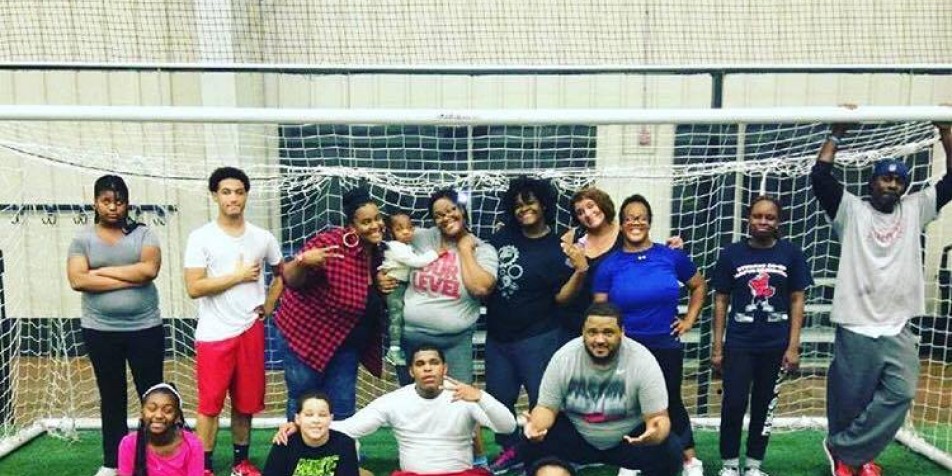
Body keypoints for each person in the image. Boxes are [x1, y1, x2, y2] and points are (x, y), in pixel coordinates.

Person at [812, 117, 952, 476]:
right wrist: (836, 133)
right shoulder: (851, 210)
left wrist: (947, 133)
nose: (892, 185)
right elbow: (820, 178)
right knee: (851, 400)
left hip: (897, 325)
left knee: (900, 393)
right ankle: (854, 460)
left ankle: (844, 448)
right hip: (856, 322)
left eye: (898, 180)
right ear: (872, 182)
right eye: (886, 178)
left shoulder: (915, 209)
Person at [592, 194, 707, 476]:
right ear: (621, 224)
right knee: (628, 403)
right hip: (627, 348)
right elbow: (600, 309)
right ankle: (631, 461)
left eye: (641, 217)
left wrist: (688, 320)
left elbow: (699, 286)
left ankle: (689, 460)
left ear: (649, 222)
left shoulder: (670, 256)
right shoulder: (610, 264)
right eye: (629, 217)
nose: (635, 222)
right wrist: (611, 335)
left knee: (670, 401)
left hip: (665, 343)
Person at [276, 346, 517, 476]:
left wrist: (481, 397)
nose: (428, 369)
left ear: (445, 367)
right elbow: (350, 427)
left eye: (434, 363)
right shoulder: (395, 400)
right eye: (421, 364)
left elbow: (507, 426)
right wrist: (302, 424)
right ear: (412, 371)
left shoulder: (465, 396)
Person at [483, 177, 588, 474]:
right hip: (498, 338)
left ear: (543, 204)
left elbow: (562, 297)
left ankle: (551, 455)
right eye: (517, 205)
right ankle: (511, 452)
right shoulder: (501, 240)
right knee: (499, 401)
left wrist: (580, 273)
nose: (523, 209)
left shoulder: (558, 247)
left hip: (539, 336)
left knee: (544, 402)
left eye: (529, 202)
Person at [184, 166, 283, 476]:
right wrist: (237, 276)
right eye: (226, 192)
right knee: (210, 406)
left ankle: (241, 463)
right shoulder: (201, 237)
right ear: (215, 195)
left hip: (250, 331)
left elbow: (282, 273)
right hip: (214, 335)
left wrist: (268, 303)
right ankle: (204, 467)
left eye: (239, 192)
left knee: (246, 404)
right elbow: (194, 287)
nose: (233, 198)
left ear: (246, 195)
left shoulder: (262, 237)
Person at [67, 174, 164, 476]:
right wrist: (126, 274)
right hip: (100, 331)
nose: (113, 208)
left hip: (145, 328)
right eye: (106, 201)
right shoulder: (81, 240)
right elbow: (78, 279)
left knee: (153, 396)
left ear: (127, 204)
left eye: (119, 202)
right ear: (95, 202)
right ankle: (113, 461)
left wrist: (102, 273)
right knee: (111, 395)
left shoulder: (144, 234)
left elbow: (149, 270)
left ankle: (155, 457)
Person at [710, 195, 813, 476]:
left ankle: (754, 464)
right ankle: (729, 464)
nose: (763, 222)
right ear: (748, 219)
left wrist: (793, 346)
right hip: (740, 344)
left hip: (775, 345)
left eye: (769, 217)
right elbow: (720, 301)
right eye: (758, 216)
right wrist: (717, 347)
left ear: (778, 222)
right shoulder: (731, 254)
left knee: (764, 406)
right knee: (733, 403)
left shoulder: (791, 254)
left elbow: (796, 300)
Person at [520, 302, 682, 476]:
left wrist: (655, 433)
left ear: (622, 333)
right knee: (531, 441)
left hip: (629, 440)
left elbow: (658, 417)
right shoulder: (564, 358)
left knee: (670, 447)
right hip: (578, 436)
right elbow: (547, 407)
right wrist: (536, 428)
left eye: (608, 332)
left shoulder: (642, 360)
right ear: (583, 332)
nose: (599, 340)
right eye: (592, 332)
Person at [275, 186, 386, 421]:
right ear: (352, 226)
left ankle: (340, 452)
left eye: (377, 218)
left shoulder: (379, 251)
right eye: (366, 221)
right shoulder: (331, 243)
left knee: (342, 405)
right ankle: (297, 452)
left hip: (347, 342)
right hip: (306, 339)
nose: (375, 225)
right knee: (303, 399)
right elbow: (290, 279)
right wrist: (302, 261)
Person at [392, 188, 498, 386]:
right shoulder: (420, 237)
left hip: (454, 343)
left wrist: (465, 249)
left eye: (451, 210)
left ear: (462, 210)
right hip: (411, 338)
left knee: (457, 403)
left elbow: (481, 289)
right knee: (412, 405)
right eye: (438, 215)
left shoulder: (482, 250)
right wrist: (383, 273)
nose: (446, 217)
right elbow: (388, 245)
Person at [380, 211, 443, 367]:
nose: (406, 231)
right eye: (400, 229)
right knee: (396, 316)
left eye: (409, 227)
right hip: (394, 285)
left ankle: (397, 347)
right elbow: (416, 262)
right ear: (391, 232)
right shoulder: (395, 246)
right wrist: (435, 253)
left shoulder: (405, 246)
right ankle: (393, 350)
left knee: (401, 315)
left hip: (402, 284)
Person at [263, 391, 360, 476]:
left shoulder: (345, 444)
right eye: (309, 415)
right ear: (297, 418)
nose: (316, 420)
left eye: (322, 415)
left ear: (331, 418)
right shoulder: (284, 442)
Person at [117, 383, 203, 476]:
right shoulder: (129, 444)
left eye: (168, 411)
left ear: (177, 416)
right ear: (142, 413)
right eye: (151, 409)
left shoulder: (192, 445)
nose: (159, 415)